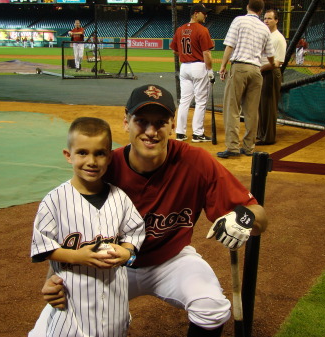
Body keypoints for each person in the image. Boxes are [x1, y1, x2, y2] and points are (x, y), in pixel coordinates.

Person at [31, 84, 268, 336]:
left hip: (171, 261)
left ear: (172, 124)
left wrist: (243, 218)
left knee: (212, 307)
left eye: (160, 122)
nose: (151, 131)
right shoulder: (104, 166)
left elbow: (259, 215)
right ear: (126, 122)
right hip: (113, 266)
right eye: (141, 121)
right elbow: (70, 231)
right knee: (45, 330)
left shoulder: (195, 162)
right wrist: (53, 279)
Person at [30, 117, 146, 336]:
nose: (91, 161)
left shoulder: (119, 197)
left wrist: (127, 251)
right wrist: (77, 257)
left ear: (110, 156)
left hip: (114, 300)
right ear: (68, 155)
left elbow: (135, 231)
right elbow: (42, 246)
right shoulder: (55, 200)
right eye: (82, 152)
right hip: (72, 302)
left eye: (99, 153)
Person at [217, 0, 275, 159]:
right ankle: (249, 148)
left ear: (248, 7)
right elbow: (270, 55)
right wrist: (273, 64)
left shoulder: (239, 20)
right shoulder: (265, 28)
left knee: (232, 109)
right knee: (252, 111)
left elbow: (230, 45)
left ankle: (233, 147)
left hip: (240, 67)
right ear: (261, 11)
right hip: (256, 71)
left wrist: (223, 66)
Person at [170, 4, 215, 143]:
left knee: (184, 101)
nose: (205, 15)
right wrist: (210, 70)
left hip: (184, 68)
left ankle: (180, 133)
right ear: (196, 14)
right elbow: (206, 53)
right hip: (198, 67)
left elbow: (174, 50)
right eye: (203, 13)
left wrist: (184, 54)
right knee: (201, 102)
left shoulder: (180, 29)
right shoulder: (202, 30)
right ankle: (198, 134)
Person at [256, 9, 287, 145]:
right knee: (261, 105)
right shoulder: (266, 35)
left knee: (269, 106)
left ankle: (268, 138)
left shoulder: (278, 38)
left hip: (271, 73)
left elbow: (277, 62)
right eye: (265, 18)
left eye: (270, 18)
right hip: (263, 72)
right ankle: (261, 134)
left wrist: (260, 68)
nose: (267, 21)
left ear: (276, 20)